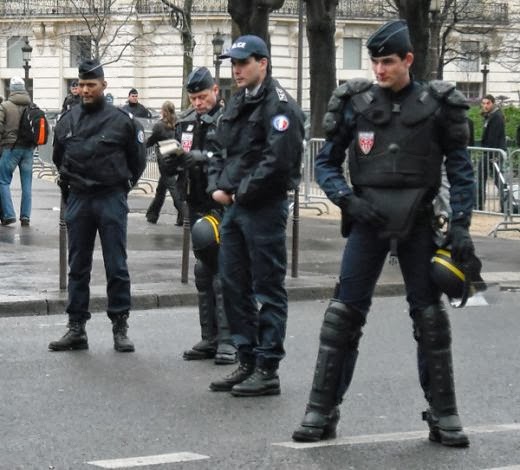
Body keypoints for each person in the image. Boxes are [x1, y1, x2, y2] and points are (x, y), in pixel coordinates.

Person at [292, 20, 475, 447]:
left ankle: (444, 414)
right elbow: (325, 162)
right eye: (374, 61)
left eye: (387, 61)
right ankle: (321, 411)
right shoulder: (355, 102)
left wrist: (461, 227)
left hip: (419, 224)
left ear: (408, 59)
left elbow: (462, 172)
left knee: (430, 320)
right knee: (342, 317)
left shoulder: (439, 103)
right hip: (367, 221)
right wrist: (346, 200)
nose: (379, 69)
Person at [207, 36, 305, 396]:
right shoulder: (238, 102)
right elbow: (220, 148)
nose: (236, 69)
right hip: (234, 208)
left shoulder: (280, 108)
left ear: (262, 63)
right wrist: (217, 185)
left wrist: (235, 191)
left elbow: (277, 164)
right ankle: (246, 358)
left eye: (243, 62)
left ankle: (267, 366)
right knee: (233, 284)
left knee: (266, 288)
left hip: (262, 208)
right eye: (233, 63)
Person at [48, 59, 146, 353]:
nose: (86, 90)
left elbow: (137, 162)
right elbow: (58, 157)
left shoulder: (123, 122)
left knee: (116, 265)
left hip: (110, 197)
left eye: (92, 85)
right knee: (77, 266)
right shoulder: (67, 121)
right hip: (79, 198)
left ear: (104, 85)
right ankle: (76, 327)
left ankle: (120, 326)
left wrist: (121, 189)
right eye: (81, 85)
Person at [158, 67, 237, 365]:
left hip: (224, 202)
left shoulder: (229, 120)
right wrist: (170, 162)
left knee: (223, 274)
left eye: (203, 97)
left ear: (216, 90)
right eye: (194, 98)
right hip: (199, 201)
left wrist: (202, 158)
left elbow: (234, 157)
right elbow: (178, 162)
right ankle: (210, 338)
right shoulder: (187, 122)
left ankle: (230, 341)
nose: (198, 103)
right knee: (204, 274)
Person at [0, 77, 35, 226]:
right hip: (28, 149)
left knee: (3, 181)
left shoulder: (5, 106)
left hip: (10, 148)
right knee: (27, 184)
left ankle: (9, 214)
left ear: (11, 90)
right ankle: (25, 216)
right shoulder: (32, 106)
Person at [145, 100, 183, 225]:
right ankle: (152, 214)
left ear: (163, 111)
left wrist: (139, 148)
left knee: (173, 189)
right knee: (161, 189)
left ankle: (184, 214)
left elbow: (150, 142)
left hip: (165, 161)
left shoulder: (159, 126)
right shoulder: (178, 124)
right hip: (177, 156)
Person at [477, 94, 506, 210]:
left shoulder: (496, 117)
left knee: (497, 180)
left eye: (487, 103)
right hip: (490, 152)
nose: (485, 106)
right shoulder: (490, 116)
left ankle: (506, 205)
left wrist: (492, 154)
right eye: (483, 103)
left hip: (493, 153)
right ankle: (479, 204)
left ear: (493, 103)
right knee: (491, 179)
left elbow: (493, 137)